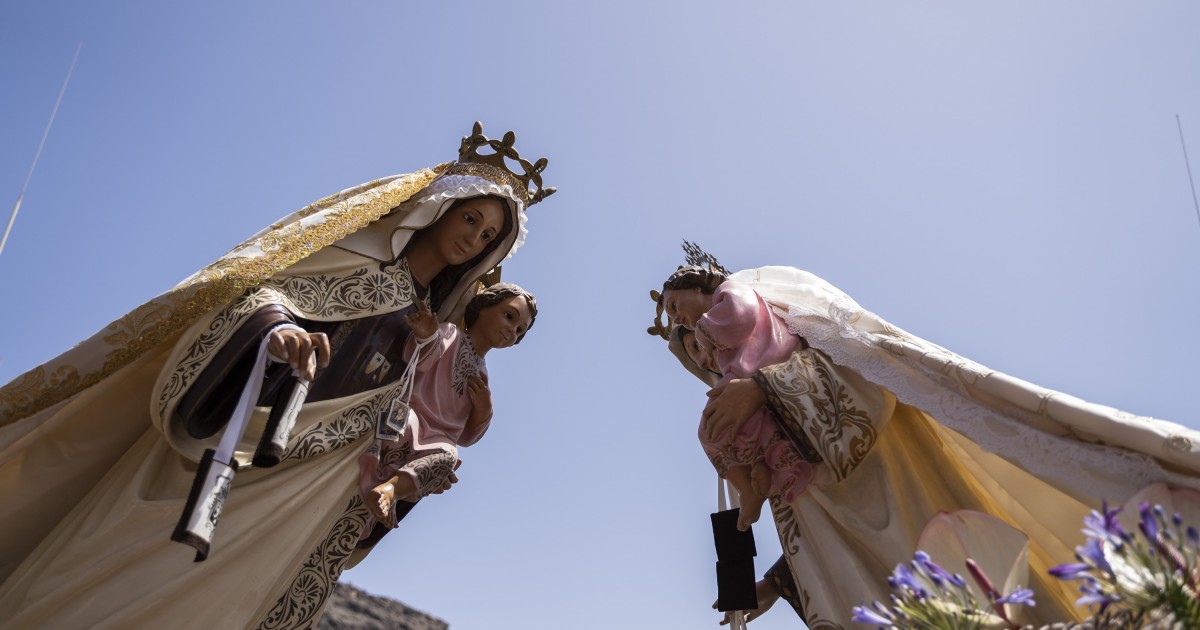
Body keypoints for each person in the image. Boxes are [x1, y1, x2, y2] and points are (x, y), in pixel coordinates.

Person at [0, 123, 555, 629]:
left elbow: (424, 413)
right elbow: (265, 294)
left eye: (487, 237)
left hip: (318, 487)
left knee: (226, 604)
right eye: (471, 218)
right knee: (124, 576)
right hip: (242, 443)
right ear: (441, 206)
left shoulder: (428, 322)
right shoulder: (355, 258)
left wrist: (416, 466)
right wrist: (276, 334)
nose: (474, 238)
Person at [657, 264, 1200, 628]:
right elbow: (815, 523)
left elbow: (864, 374)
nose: (701, 351)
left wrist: (765, 388)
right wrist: (776, 582)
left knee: (973, 584)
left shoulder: (781, 317)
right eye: (694, 353)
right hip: (846, 548)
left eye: (694, 325)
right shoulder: (746, 428)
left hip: (900, 489)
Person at [361, 283, 537, 531]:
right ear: (483, 306)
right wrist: (427, 337)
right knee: (402, 421)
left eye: (520, 331)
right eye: (509, 316)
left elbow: (466, 437)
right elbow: (416, 361)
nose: (512, 331)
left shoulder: (482, 376)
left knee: (449, 455)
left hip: (433, 445)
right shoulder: (450, 334)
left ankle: (389, 490)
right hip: (408, 417)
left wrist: (484, 410)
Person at [678, 315, 815, 532]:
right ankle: (756, 469)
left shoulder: (765, 340)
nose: (701, 361)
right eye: (694, 356)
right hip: (799, 494)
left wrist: (759, 386)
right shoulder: (728, 394)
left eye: (697, 345)